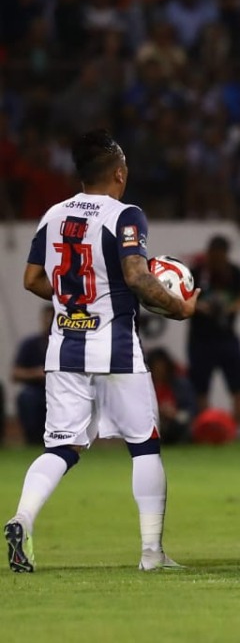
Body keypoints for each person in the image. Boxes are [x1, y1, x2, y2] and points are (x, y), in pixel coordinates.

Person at [5, 129, 199, 573]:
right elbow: (136, 276)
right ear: (118, 173)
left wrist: (75, 305)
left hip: (64, 349)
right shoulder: (125, 215)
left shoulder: (52, 214)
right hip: (114, 350)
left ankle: (23, 518)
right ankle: (152, 553)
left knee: (63, 446)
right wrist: (180, 308)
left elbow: (32, 279)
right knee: (144, 444)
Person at [187, 235, 240, 436]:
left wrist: (227, 308)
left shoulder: (234, 272)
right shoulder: (197, 273)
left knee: (239, 387)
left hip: (226, 337)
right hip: (201, 339)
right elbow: (185, 298)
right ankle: (205, 429)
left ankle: (238, 430)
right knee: (200, 388)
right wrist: (202, 307)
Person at [12, 306, 53, 446]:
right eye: (46, 319)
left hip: (62, 388)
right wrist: (36, 373)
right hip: (37, 388)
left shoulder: (66, 344)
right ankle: (32, 440)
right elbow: (15, 373)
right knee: (27, 397)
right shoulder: (30, 344)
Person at [146, 347, 198, 445]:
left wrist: (175, 413)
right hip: (152, 424)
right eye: (156, 367)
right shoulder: (144, 387)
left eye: (162, 367)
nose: (159, 370)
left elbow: (191, 410)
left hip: (175, 423)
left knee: (182, 423)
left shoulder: (180, 385)